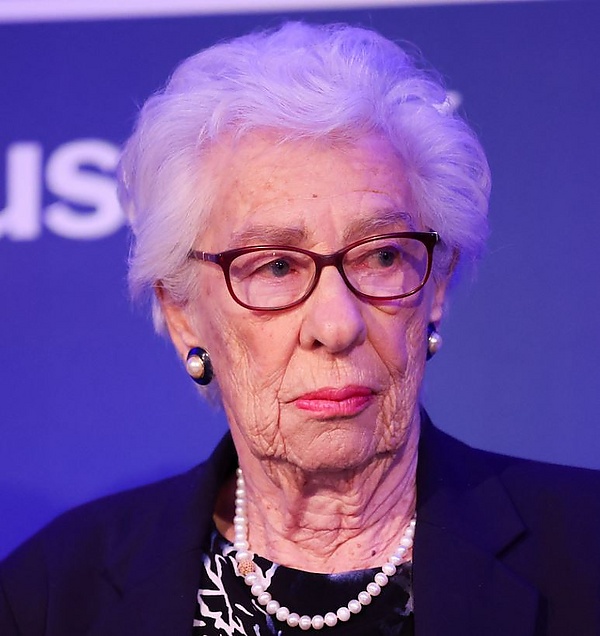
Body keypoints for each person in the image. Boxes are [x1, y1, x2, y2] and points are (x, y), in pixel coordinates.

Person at [1, 21, 599, 636]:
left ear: (436, 289)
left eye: (381, 255)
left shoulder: (587, 551)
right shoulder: (50, 597)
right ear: (183, 315)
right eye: (276, 266)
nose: (337, 324)